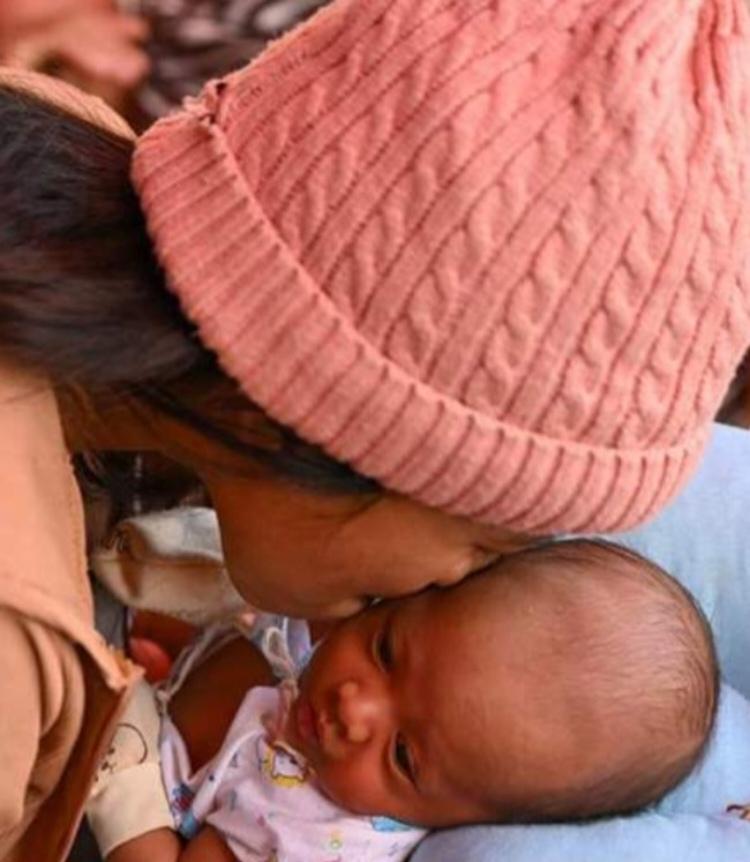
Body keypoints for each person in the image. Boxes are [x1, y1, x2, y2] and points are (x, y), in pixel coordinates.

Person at [0, 0, 748, 857]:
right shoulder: (18, 643)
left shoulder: (53, 151)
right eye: (482, 547)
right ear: (338, 419)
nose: (451, 585)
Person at [87, 540, 717, 862]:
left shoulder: (314, 833)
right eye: (387, 651)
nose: (355, 708)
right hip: (179, 704)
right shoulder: (344, 656)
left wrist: (123, 782)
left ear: (465, 820)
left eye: (404, 756)